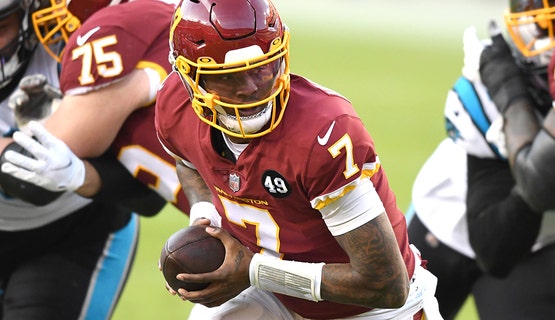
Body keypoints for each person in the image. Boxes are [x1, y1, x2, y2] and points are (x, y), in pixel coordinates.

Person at [154, 0, 443, 319]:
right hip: (276, 294)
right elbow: (188, 162)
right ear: (189, 78)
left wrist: (254, 270)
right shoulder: (176, 106)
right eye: (230, 77)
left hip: (371, 310)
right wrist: (205, 215)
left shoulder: (321, 133)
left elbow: (387, 284)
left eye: (262, 68)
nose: (252, 89)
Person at [405, 0, 555, 319]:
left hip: (540, 241)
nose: (528, 24)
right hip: (443, 226)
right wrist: (511, 97)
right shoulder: (499, 86)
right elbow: (496, 244)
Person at [0, 0, 189, 318]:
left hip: (74, 235)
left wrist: (78, 174)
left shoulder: (76, 44)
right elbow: (23, 172)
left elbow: (146, 195)